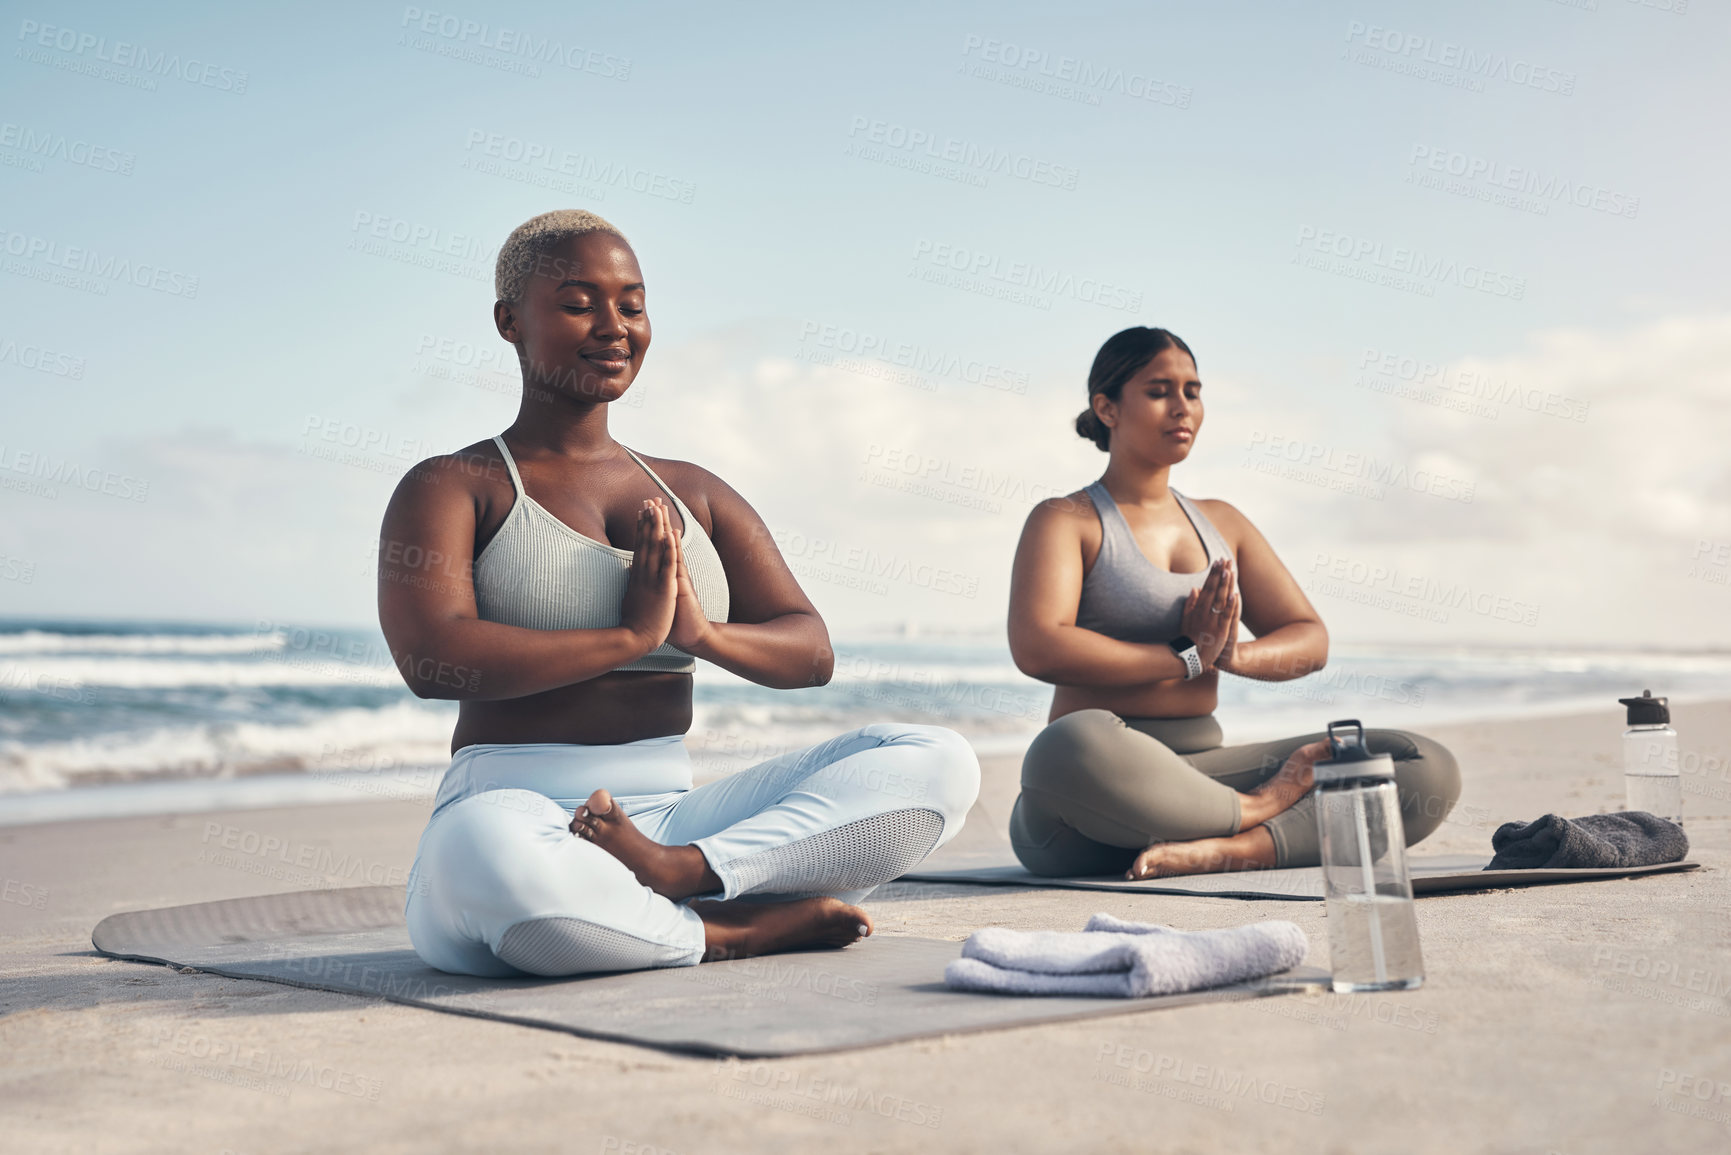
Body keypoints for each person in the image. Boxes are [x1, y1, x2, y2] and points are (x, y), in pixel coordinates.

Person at [380, 210, 979, 978]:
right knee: (480, 855)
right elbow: (433, 659)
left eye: (631, 305)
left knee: (936, 760)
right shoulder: (454, 485)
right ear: (508, 321)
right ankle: (729, 930)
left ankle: (685, 878)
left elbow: (810, 650)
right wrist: (627, 640)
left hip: (672, 822)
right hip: (510, 807)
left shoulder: (693, 490)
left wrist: (699, 633)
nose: (612, 326)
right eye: (577, 303)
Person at [1004, 326, 1459, 880]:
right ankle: (1259, 812)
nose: (1182, 408)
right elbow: (1039, 646)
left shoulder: (1223, 522)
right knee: (1065, 745)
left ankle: (1240, 848)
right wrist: (1185, 656)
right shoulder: (1066, 519)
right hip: (1092, 804)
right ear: (1107, 408)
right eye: (1158, 391)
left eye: (1192, 391)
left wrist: (1229, 656)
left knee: (1423, 763)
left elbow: (1309, 638)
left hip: (1206, 773)